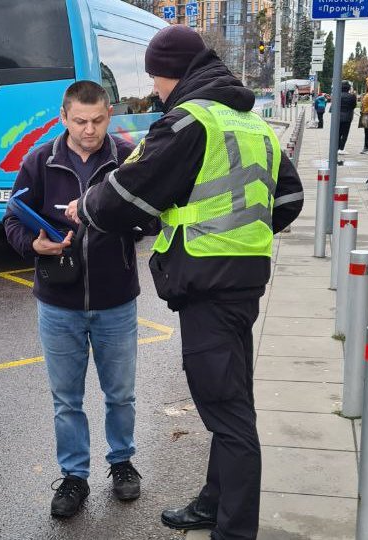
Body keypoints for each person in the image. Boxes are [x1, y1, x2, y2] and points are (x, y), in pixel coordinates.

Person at [64, 25, 304, 540]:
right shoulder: (249, 121)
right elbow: (288, 199)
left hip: (208, 287)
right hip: (241, 283)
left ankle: (233, 530)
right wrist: (241, 233)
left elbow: (125, 193)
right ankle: (214, 503)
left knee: (229, 416)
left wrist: (83, 205)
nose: (156, 90)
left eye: (156, 79)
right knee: (232, 401)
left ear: (172, 73)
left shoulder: (189, 120)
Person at [3, 80, 148, 519]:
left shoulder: (126, 158)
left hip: (116, 299)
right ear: (63, 117)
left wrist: (125, 219)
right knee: (66, 400)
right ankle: (74, 477)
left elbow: (152, 216)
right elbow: (12, 218)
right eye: (81, 121)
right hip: (58, 302)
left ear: (110, 114)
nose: (90, 130)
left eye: (99, 120)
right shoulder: (39, 160)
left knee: (119, 393)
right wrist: (34, 245)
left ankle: (122, 464)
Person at [338, 81, 357, 155]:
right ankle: (341, 148)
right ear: (349, 88)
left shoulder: (337, 95)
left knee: (338, 133)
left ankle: (338, 147)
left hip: (338, 117)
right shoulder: (352, 96)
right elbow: (354, 106)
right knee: (345, 133)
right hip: (347, 117)